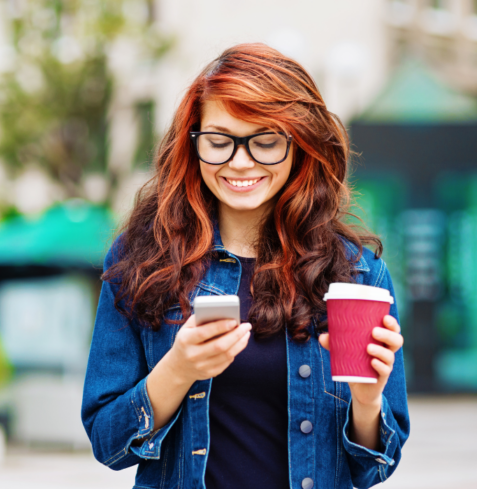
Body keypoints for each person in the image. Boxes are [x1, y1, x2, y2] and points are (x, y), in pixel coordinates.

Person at [82, 43, 409, 489]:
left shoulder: (356, 275)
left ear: (301, 144)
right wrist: (178, 369)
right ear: (193, 143)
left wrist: (368, 402)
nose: (240, 161)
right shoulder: (143, 260)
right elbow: (108, 443)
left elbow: (375, 467)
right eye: (219, 141)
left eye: (266, 141)